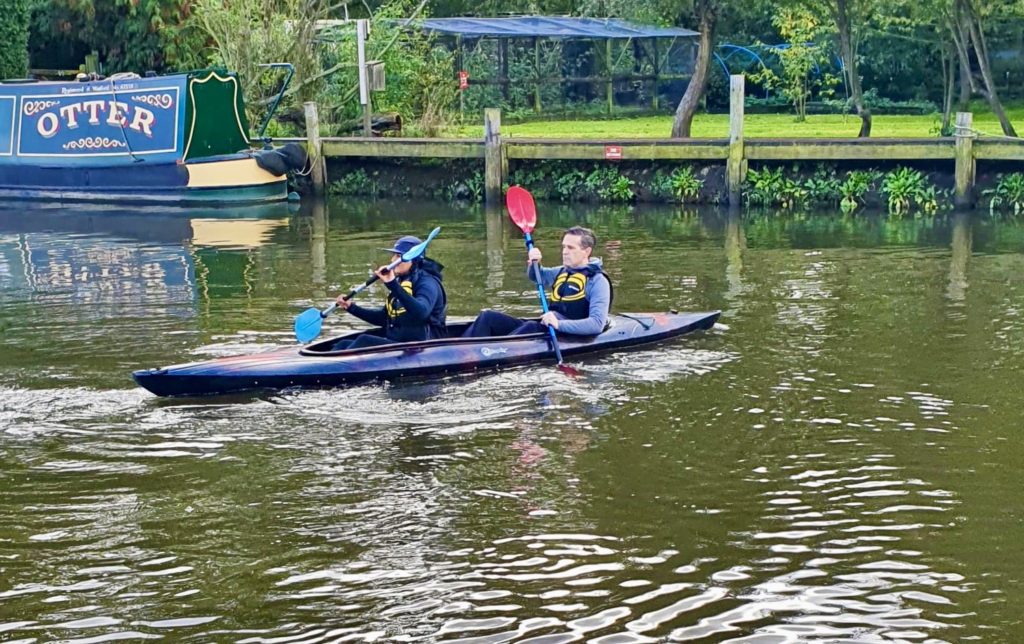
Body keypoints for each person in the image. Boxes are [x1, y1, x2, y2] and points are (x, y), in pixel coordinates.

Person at [462, 226, 612, 338]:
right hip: (547, 325)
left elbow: (596, 324)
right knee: (487, 317)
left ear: (587, 251)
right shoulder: (562, 271)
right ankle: (463, 349)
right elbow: (537, 276)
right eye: (564, 247)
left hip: (564, 333)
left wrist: (559, 324)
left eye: (571, 248)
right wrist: (535, 263)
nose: (564, 251)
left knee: (530, 327)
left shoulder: (598, 282)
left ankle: (485, 353)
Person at [333, 235, 447, 350]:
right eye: (394, 255)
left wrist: (393, 284)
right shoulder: (402, 280)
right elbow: (384, 318)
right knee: (343, 344)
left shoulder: (427, 283)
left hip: (424, 346)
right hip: (399, 343)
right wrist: (352, 308)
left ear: (414, 259)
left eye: (398, 256)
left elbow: (421, 313)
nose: (392, 260)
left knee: (364, 340)